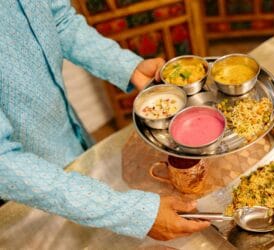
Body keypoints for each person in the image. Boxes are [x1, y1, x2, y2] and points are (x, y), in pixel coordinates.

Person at [0, 0, 209, 241]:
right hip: (19, 198)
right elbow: (5, 164)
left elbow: (60, 21)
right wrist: (132, 213)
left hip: (68, 137)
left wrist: (127, 66)